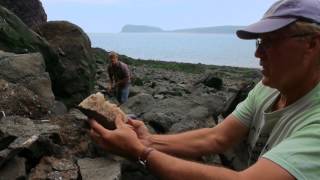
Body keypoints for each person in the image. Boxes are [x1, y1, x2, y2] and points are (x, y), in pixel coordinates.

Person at [90, 0, 320, 179]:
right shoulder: (268, 87)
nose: (258, 54)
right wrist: (148, 141)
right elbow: (216, 137)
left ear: (312, 43)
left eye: (271, 41)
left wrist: (139, 153)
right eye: (260, 42)